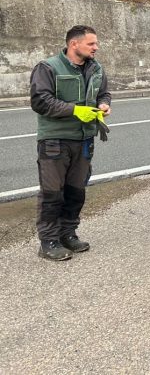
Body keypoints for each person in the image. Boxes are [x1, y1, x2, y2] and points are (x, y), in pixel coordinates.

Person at [30, 25, 111, 261]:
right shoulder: (47, 67)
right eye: (91, 44)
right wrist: (75, 110)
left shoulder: (96, 68)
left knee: (76, 191)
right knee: (52, 193)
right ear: (74, 44)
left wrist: (104, 104)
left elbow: (103, 93)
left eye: (96, 43)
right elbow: (40, 101)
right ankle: (48, 241)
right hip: (55, 140)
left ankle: (68, 234)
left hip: (84, 140)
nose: (96, 47)